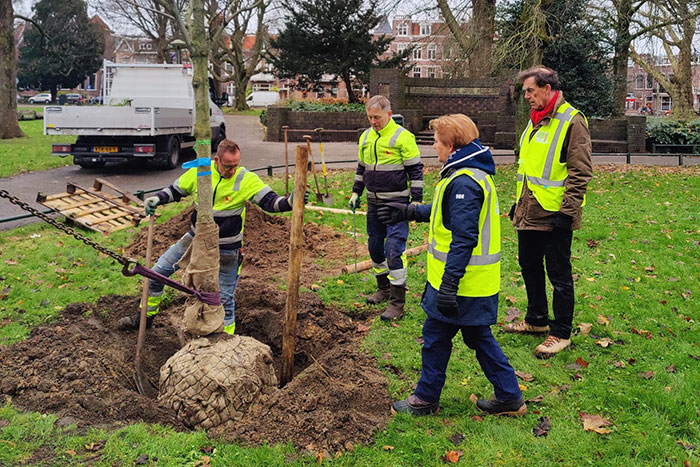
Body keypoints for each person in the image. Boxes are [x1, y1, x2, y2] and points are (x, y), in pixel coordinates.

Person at [380, 114, 525, 417]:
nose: (433, 147)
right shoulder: (468, 174)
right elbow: (450, 213)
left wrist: (448, 286)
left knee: (435, 337)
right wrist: (411, 211)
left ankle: (425, 398)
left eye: (436, 141)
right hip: (471, 283)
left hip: (461, 285)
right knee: (477, 337)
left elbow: (464, 237)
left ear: (452, 145)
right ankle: (510, 396)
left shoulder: (464, 181)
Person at [118, 139, 306, 335]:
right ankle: (145, 318)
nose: (232, 171)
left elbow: (271, 202)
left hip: (227, 249)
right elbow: (175, 190)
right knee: (156, 274)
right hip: (194, 240)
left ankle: (227, 341)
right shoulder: (201, 172)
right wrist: (157, 198)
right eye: (228, 166)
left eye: (236, 165)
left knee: (224, 299)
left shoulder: (245, 179)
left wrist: (291, 201)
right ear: (216, 160)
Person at [502, 67, 593, 358]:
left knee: (558, 272)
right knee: (528, 264)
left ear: (547, 88)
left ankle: (561, 332)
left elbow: (581, 172)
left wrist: (567, 212)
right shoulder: (536, 121)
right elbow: (529, 168)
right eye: (525, 91)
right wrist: (519, 202)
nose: (526, 96)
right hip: (530, 209)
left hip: (555, 213)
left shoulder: (572, 121)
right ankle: (537, 320)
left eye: (530, 90)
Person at [348, 95, 423, 320]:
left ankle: (397, 303)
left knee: (394, 251)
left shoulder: (403, 137)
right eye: (370, 117)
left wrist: (416, 202)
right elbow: (362, 168)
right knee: (375, 248)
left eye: (377, 117)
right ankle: (383, 288)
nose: (373, 121)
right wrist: (355, 192)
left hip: (397, 204)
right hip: (373, 202)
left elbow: (416, 171)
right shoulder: (366, 137)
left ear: (389, 114)